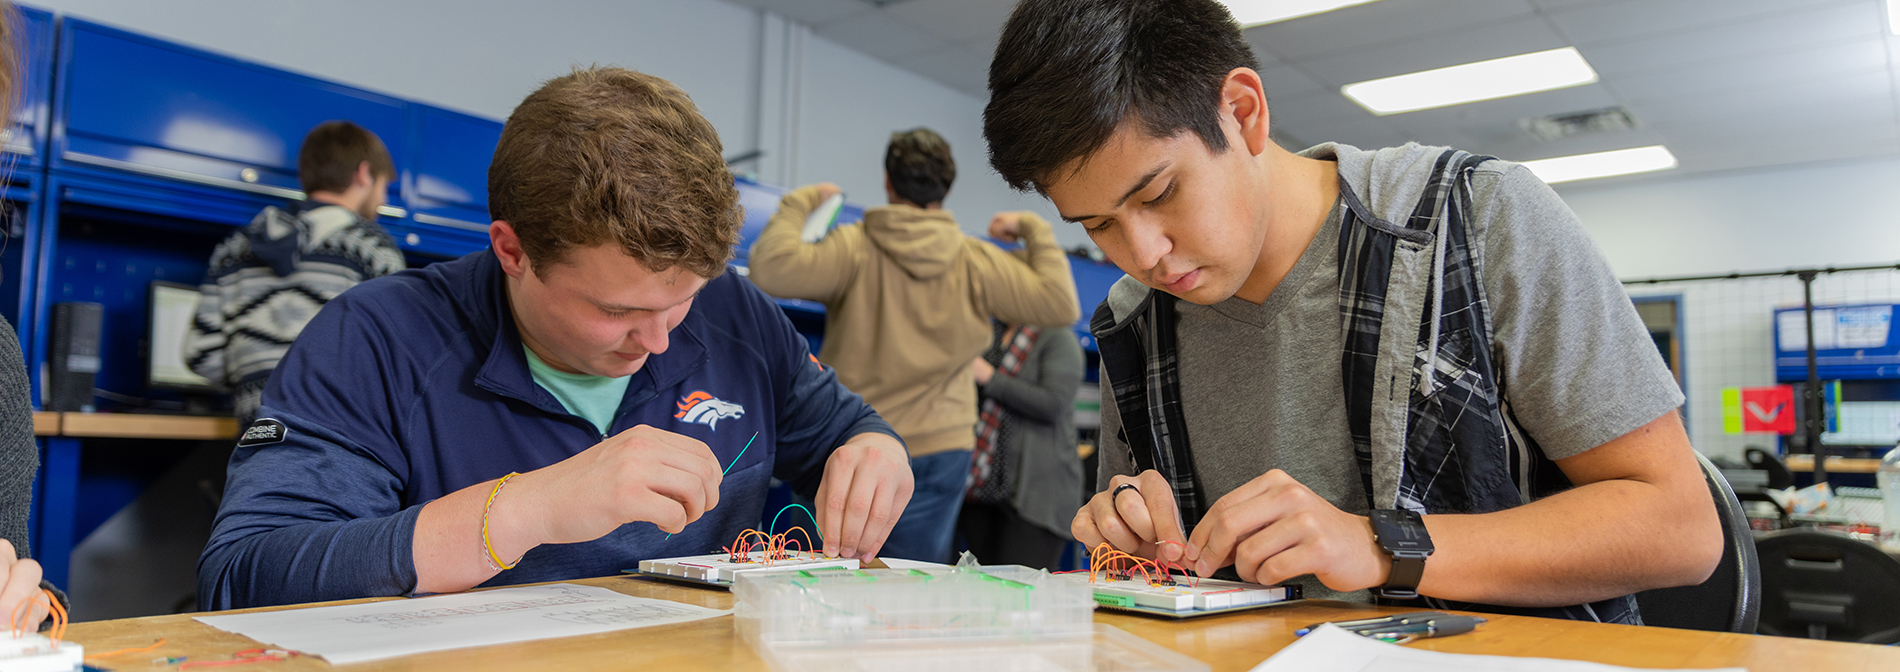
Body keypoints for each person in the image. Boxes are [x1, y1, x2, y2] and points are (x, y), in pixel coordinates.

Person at [983, 0, 1721, 623]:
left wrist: (1380, 546)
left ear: (1243, 114)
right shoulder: (1133, 319)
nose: (1144, 253)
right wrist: (1131, 541)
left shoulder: (1477, 219)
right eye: (1098, 225)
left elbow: (1681, 530)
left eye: (1157, 195)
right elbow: (1150, 559)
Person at [198, 67, 913, 610]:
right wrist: (524, 509)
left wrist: (875, 449)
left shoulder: (737, 313)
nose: (659, 342)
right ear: (512, 251)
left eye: (681, 304)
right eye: (616, 311)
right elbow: (245, 576)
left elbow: (846, 429)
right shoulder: (376, 337)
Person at [747, 128, 1079, 563]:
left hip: (854, 442)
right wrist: (1033, 228)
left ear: (888, 182)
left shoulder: (854, 247)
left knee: (818, 578)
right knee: (912, 586)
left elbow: (769, 272)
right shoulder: (973, 258)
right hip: (941, 446)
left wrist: (803, 201)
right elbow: (1059, 304)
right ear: (948, 187)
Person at [184, 121, 407, 424]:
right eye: (384, 185)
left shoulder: (234, 247)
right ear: (364, 173)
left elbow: (201, 354)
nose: (383, 201)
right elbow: (398, 357)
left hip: (255, 428)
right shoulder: (371, 246)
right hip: (341, 430)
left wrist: (258, 382)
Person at [957, 314, 1085, 570]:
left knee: (1020, 595)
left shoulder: (1058, 337)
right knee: (977, 591)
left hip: (1036, 494)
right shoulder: (989, 335)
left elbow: (1054, 404)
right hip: (980, 487)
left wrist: (989, 377)